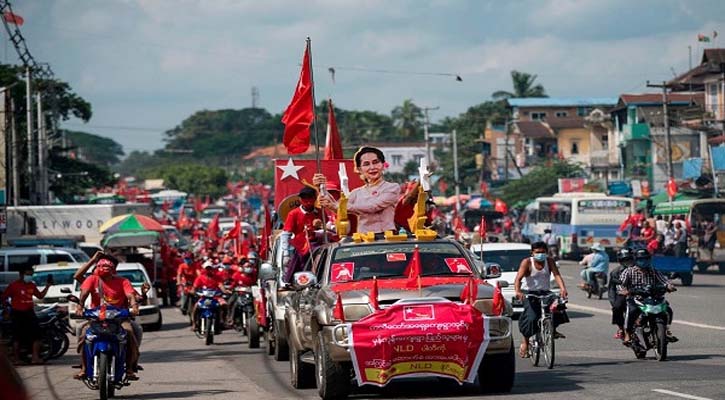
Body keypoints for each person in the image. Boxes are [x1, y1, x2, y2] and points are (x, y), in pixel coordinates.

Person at [76, 256, 140, 380]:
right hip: (96, 318)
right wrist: (80, 306)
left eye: (107, 269)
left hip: (119, 319)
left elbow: (130, 295)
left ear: (113, 270)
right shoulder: (92, 279)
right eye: (100, 268)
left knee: (130, 332)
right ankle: (84, 367)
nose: (104, 272)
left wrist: (133, 307)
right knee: (82, 332)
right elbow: (84, 293)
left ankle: (130, 368)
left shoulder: (123, 281)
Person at [317, 146, 401, 234]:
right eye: (366, 164)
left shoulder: (392, 187)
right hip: (363, 239)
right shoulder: (357, 193)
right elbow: (339, 207)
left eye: (376, 162)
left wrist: (337, 206)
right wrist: (322, 188)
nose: (372, 167)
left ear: (383, 165)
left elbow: (373, 207)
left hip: (386, 238)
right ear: (359, 169)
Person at [513, 241, 569, 358]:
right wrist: (518, 291)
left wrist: (562, 288)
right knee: (532, 317)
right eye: (538, 252)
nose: (540, 254)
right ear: (532, 253)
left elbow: (557, 275)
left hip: (546, 293)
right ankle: (526, 342)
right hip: (530, 293)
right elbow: (518, 279)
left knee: (559, 306)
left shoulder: (549, 261)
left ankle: (552, 329)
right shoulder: (527, 262)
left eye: (543, 252)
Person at [619, 248, 677, 345]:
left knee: (668, 310)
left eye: (646, 259)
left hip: (653, 298)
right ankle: (627, 333)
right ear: (636, 260)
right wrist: (623, 290)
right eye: (641, 259)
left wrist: (669, 286)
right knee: (631, 312)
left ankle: (666, 330)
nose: (643, 261)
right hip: (636, 298)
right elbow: (620, 284)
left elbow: (664, 281)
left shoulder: (653, 271)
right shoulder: (629, 271)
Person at [1, 266, 52, 364]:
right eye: (28, 274)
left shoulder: (31, 285)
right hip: (17, 313)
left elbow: (40, 296)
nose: (29, 277)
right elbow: (4, 298)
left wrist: (47, 286)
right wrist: (6, 310)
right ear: (21, 275)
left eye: (31, 275)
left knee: (37, 335)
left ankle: (35, 357)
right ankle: (16, 359)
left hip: (29, 313)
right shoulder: (13, 285)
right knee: (17, 337)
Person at [190, 262, 230, 332]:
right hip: (203, 297)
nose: (208, 270)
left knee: (224, 305)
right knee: (195, 308)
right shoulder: (200, 278)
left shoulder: (217, 277)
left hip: (215, 297)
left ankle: (223, 321)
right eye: (207, 269)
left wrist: (225, 291)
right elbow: (195, 287)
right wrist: (193, 291)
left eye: (210, 268)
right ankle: (194, 324)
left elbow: (221, 286)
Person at [609, 248, 634, 340]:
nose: (628, 262)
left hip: (641, 293)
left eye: (629, 259)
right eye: (625, 260)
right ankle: (621, 329)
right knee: (617, 307)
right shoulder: (615, 272)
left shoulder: (642, 268)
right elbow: (611, 289)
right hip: (624, 294)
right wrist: (614, 302)